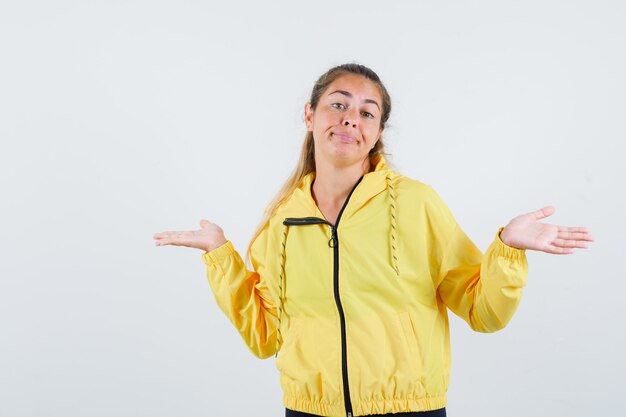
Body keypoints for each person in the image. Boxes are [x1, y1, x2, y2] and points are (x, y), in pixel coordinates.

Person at [153, 63, 593, 417]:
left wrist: (507, 250)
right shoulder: (281, 223)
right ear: (310, 115)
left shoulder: (418, 204)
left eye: (367, 112)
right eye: (338, 104)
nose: (350, 118)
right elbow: (265, 336)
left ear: (378, 131)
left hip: (408, 411)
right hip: (308, 412)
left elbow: (484, 313)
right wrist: (220, 256)